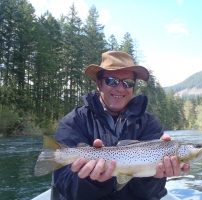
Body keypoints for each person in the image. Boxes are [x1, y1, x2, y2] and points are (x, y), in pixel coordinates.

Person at [52, 51, 190, 200]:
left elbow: (148, 194)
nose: (120, 88)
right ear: (99, 84)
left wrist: (154, 177)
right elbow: (63, 184)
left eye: (128, 82)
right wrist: (92, 181)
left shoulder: (149, 123)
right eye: (112, 81)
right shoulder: (74, 121)